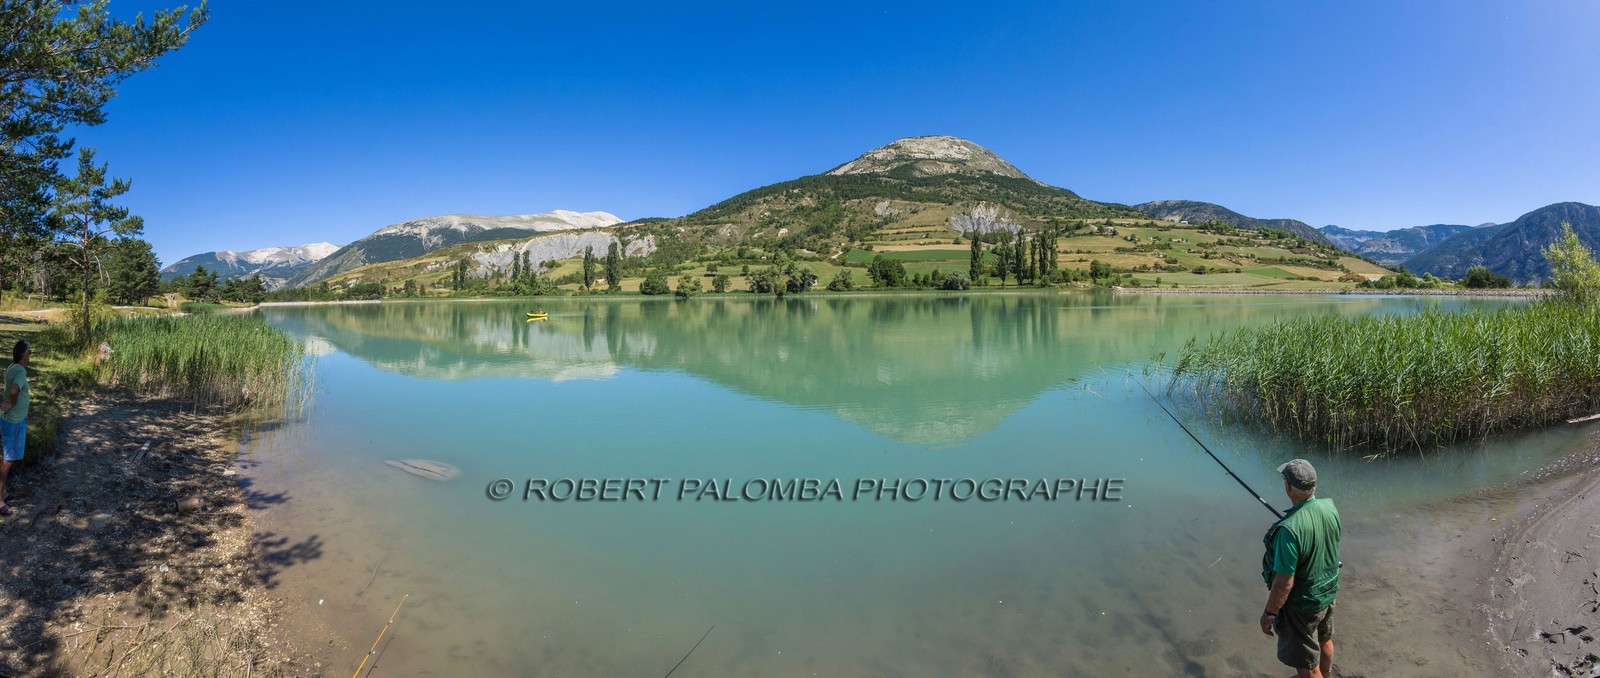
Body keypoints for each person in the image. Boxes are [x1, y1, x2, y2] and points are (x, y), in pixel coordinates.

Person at [1259, 458, 1341, 678]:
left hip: (1302, 606)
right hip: (1328, 593)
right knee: (1325, 640)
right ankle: (1328, 674)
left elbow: (1283, 583)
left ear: (1288, 487)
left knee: (1307, 665)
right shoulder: (1330, 506)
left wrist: (1269, 613)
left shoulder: (1288, 531)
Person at [0, 339, 30, 517]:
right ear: (24, 355)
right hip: (15, 421)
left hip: (7, 419)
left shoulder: (12, 367)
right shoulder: (19, 370)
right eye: (30, 352)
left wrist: (5, 403)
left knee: (6, 458)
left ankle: (2, 492)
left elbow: (3, 378)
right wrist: (10, 403)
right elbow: (13, 390)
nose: (31, 355)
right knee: (8, 461)